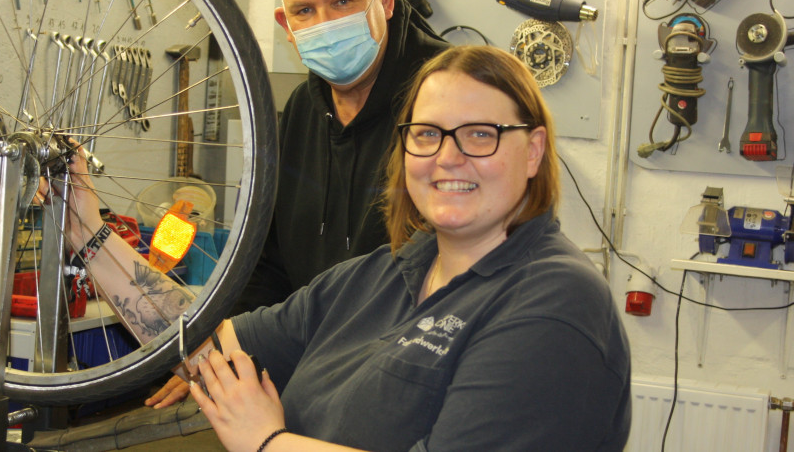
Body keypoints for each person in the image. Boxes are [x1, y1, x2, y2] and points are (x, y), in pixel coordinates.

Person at [60, 45, 631, 451]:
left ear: (532, 151)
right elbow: (204, 348)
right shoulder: (381, 275)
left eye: (480, 134)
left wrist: (269, 442)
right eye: (427, 134)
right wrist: (87, 231)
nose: (447, 157)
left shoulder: (555, 303)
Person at [236, 0, 450, 312]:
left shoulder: (452, 98)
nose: (326, 25)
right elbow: (267, 265)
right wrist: (235, 341)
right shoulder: (301, 110)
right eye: (304, 10)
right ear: (287, 25)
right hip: (305, 340)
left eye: (342, 2)